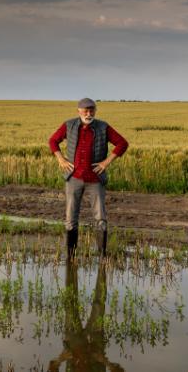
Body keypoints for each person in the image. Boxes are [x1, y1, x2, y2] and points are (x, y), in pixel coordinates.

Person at [49, 98, 128, 259]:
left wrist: (106, 163)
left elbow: (122, 143)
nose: (88, 113)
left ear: (95, 111)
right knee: (71, 218)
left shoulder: (103, 127)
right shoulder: (69, 125)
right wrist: (61, 159)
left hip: (95, 179)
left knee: (100, 217)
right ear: (78, 111)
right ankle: (71, 257)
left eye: (91, 110)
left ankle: (102, 256)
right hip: (74, 178)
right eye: (85, 110)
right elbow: (53, 141)